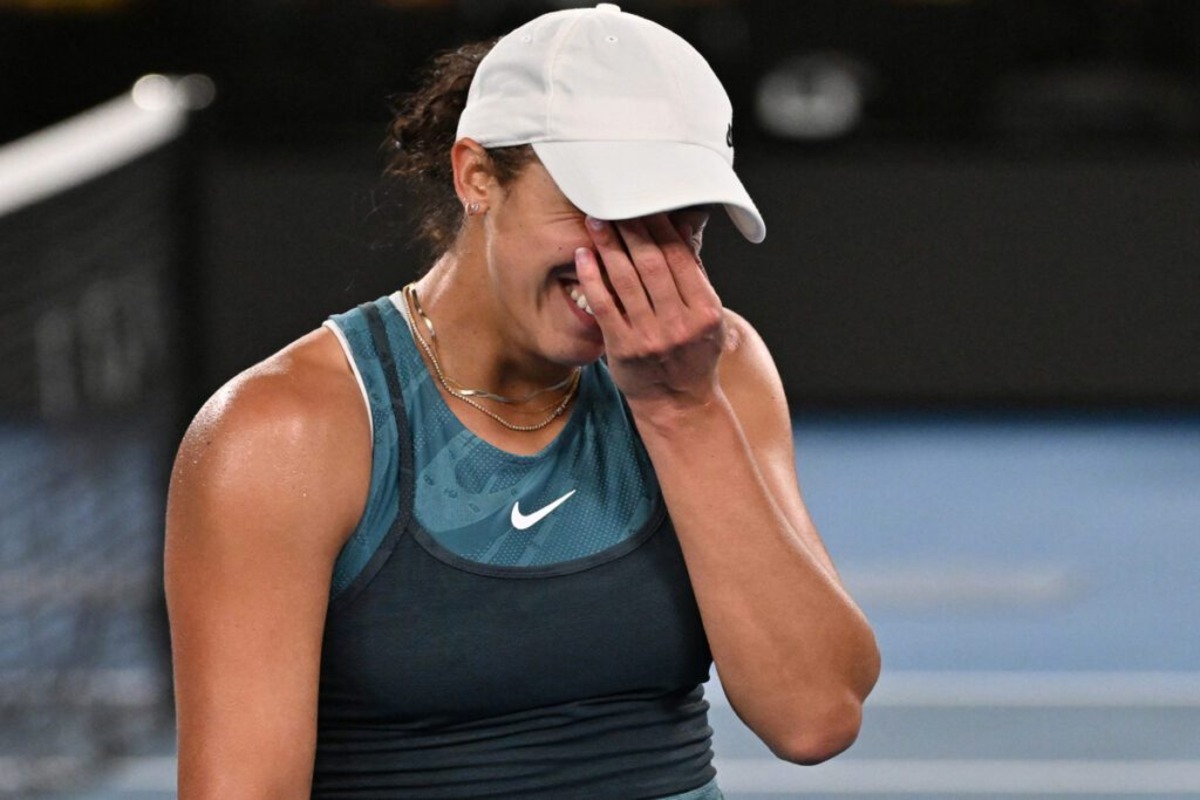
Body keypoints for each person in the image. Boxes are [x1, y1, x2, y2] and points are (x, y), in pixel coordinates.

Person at [164, 4, 880, 798]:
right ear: (477, 176)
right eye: (602, 212)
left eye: (681, 222)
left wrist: (683, 411)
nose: (633, 264)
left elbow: (814, 716)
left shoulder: (714, 367)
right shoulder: (284, 433)